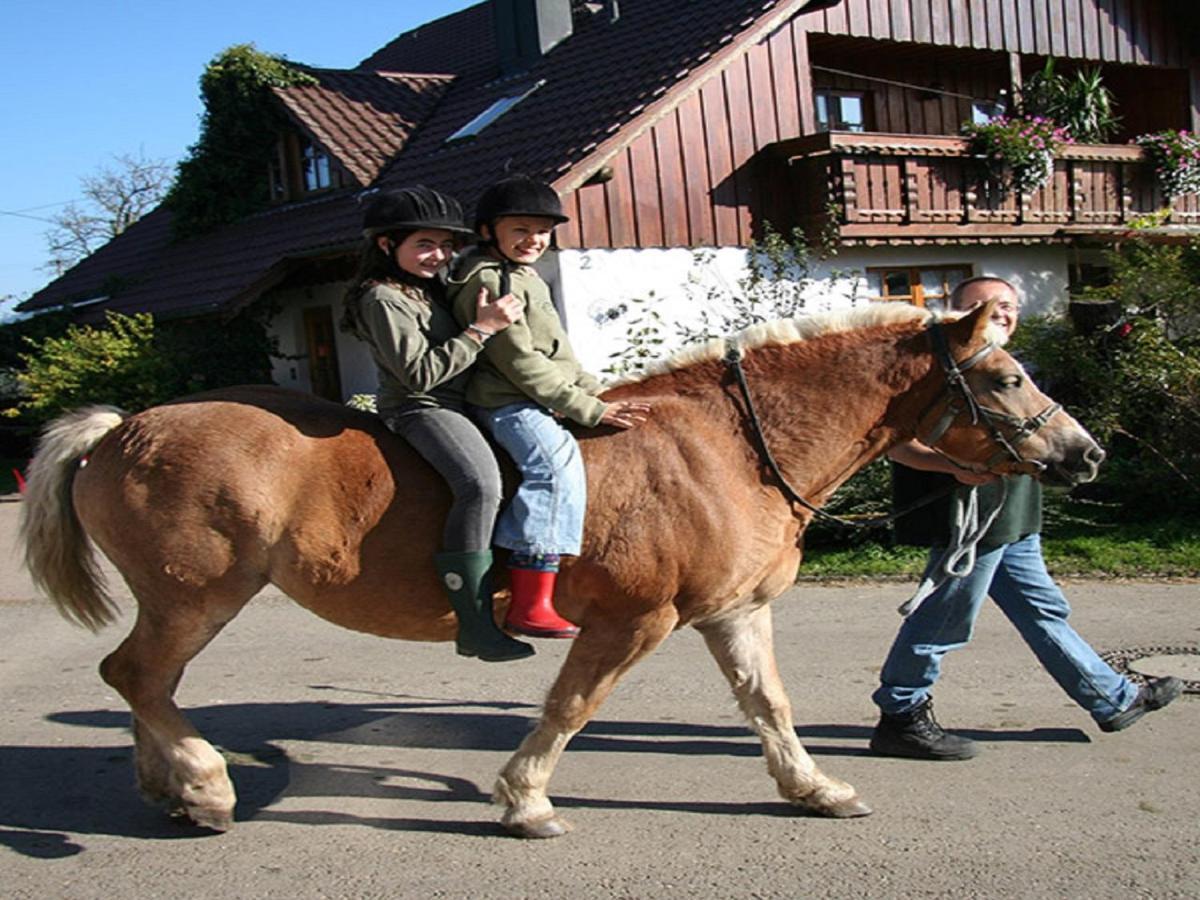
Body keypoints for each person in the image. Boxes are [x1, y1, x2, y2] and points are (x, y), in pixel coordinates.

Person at [869, 275, 1182, 760]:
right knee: (943, 619)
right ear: (960, 314)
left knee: (1043, 612)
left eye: (1009, 305)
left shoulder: (1010, 368)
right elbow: (895, 444)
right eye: (987, 306)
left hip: (1014, 519)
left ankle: (1111, 697)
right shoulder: (936, 374)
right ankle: (901, 713)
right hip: (969, 521)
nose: (1002, 313)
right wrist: (953, 465)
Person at [446, 175, 651, 638]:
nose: (533, 239)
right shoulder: (488, 279)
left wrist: (596, 390)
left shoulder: (525, 276)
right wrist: (588, 410)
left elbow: (558, 351)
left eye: (542, 230)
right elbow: (519, 362)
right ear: (487, 231)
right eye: (520, 229)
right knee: (552, 466)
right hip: (508, 402)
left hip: (534, 394)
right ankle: (530, 601)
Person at [342, 185, 534, 662]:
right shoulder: (383, 298)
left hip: (463, 402)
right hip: (422, 407)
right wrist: (482, 328)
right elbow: (420, 374)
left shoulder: (427, 289)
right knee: (480, 485)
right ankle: (473, 624)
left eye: (447, 245)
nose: (439, 255)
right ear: (388, 246)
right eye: (424, 244)